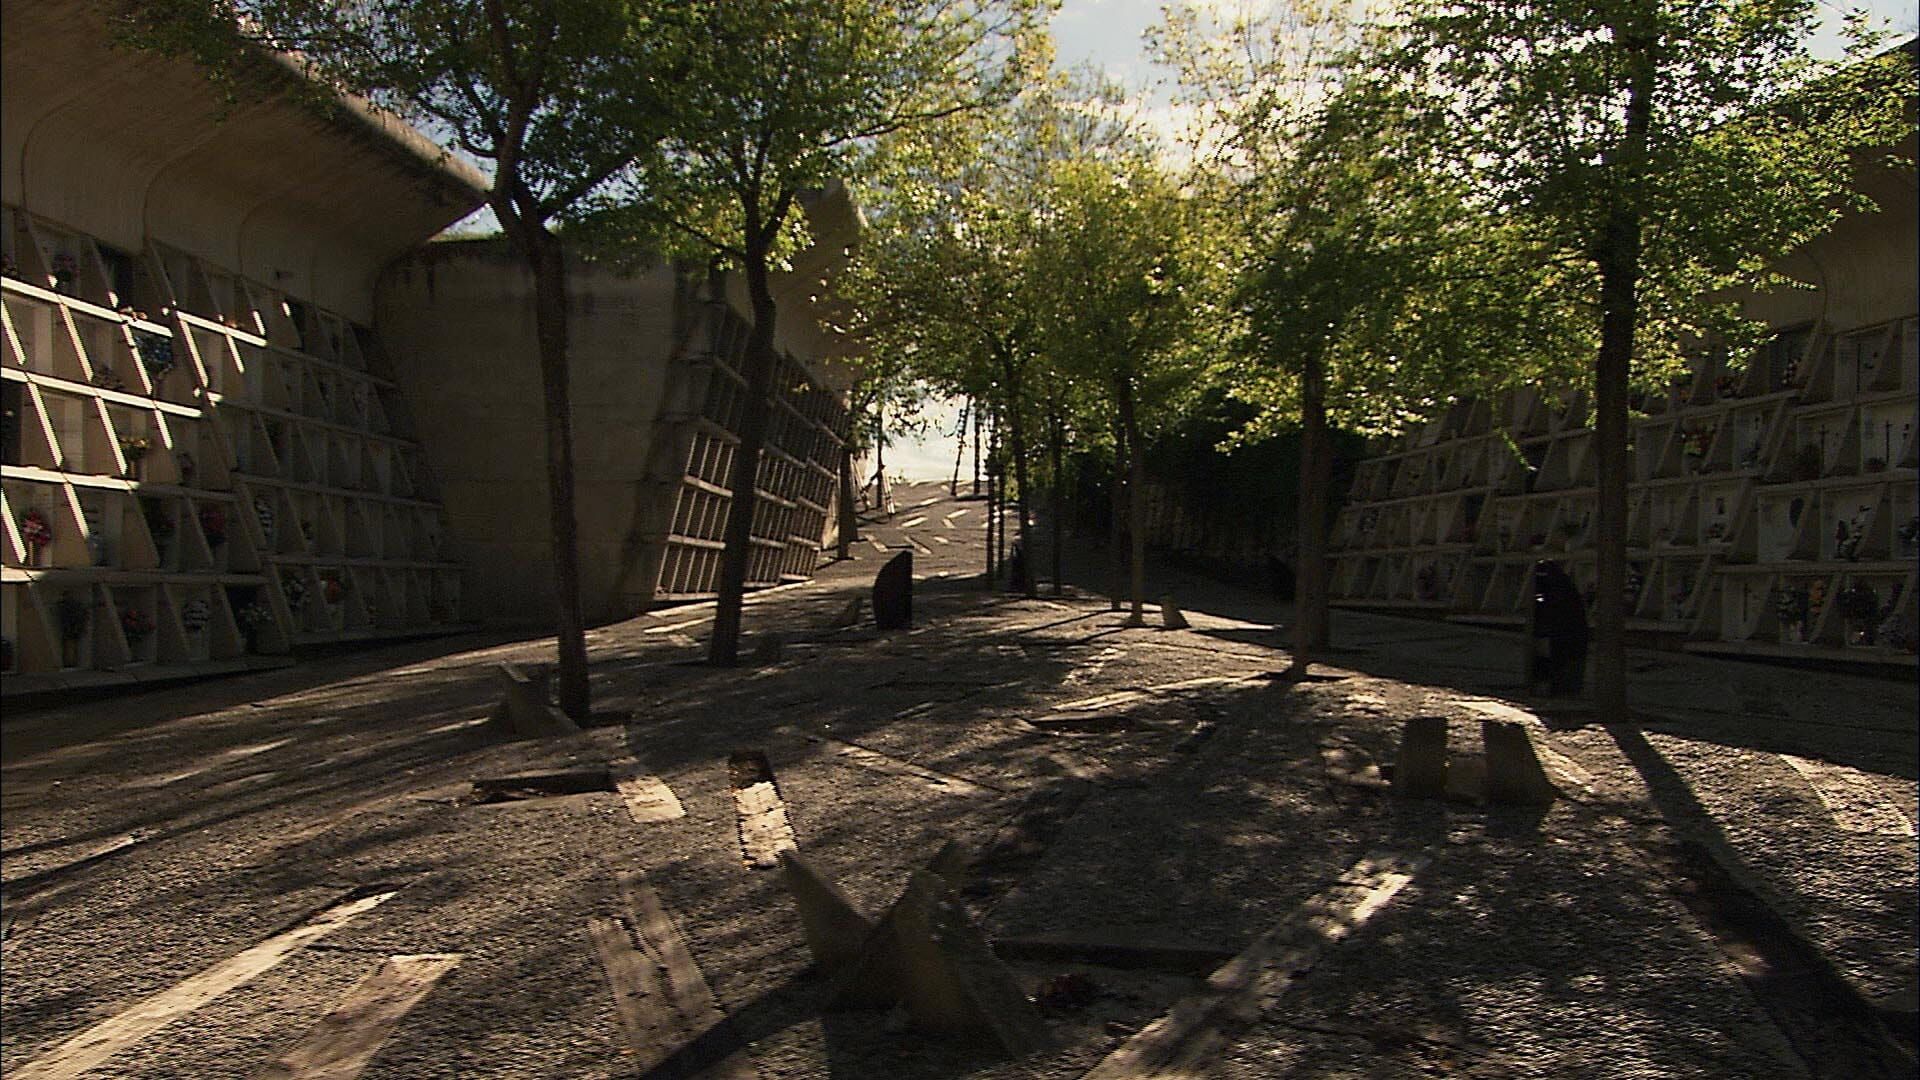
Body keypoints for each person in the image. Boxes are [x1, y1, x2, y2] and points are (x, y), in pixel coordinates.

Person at [1531, 560, 1589, 695]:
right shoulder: (1565, 589)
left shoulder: (1554, 590)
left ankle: (1553, 687)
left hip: (1557, 633)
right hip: (1569, 634)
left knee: (1553, 660)